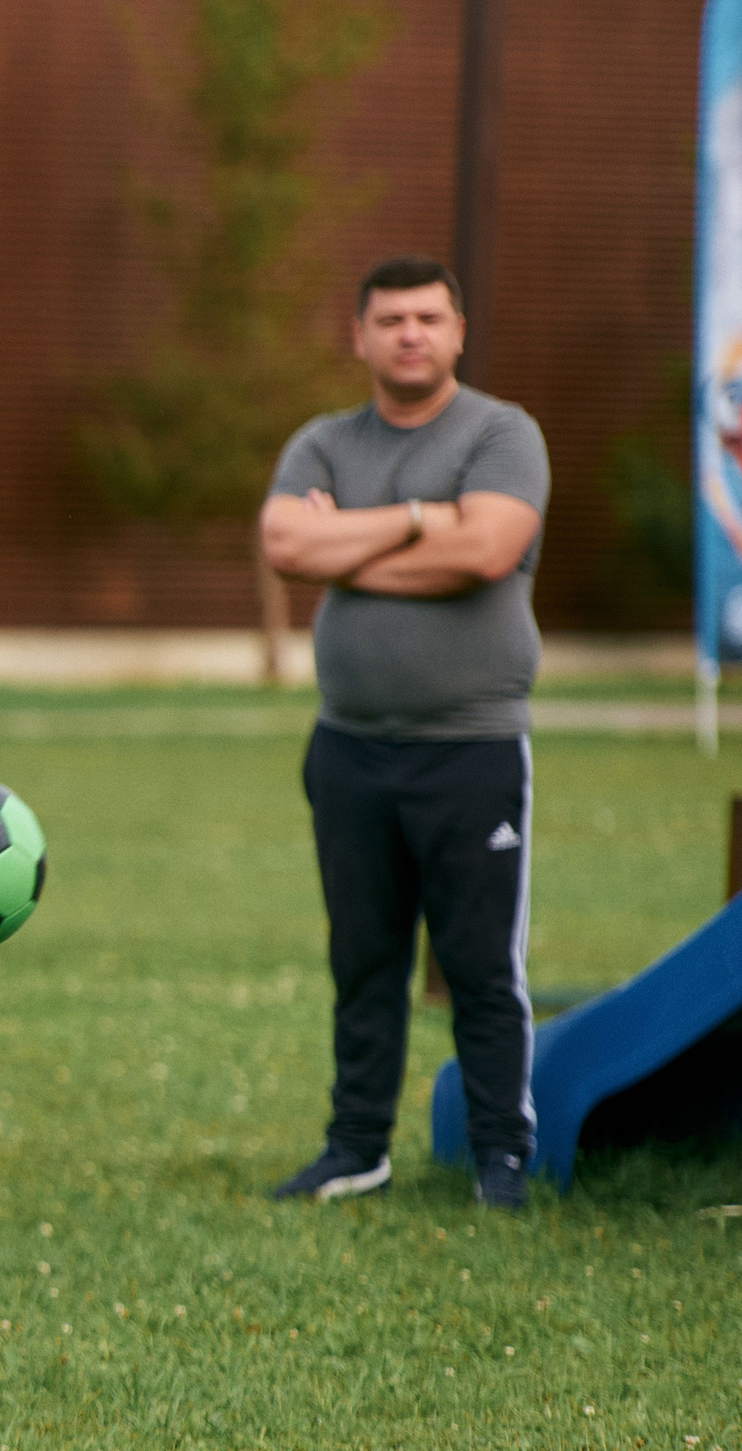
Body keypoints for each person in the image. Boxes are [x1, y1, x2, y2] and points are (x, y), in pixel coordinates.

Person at [259, 255, 549, 1212]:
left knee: (476, 964)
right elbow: (286, 545)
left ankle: (501, 1155)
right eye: (391, 320)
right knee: (364, 956)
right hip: (347, 748)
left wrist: (355, 545)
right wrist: (423, 523)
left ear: (458, 332)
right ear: (360, 336)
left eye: (429, 317)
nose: (411, 333)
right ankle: (356, 1148)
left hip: (469, 749)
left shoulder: (502, 433)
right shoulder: (322, 441)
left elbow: (487, 549)